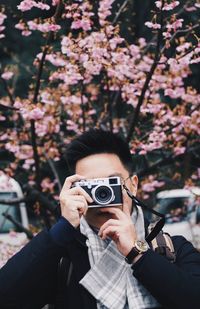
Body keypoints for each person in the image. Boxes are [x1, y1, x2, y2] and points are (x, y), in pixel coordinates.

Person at [0, 129, 200, 309]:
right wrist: (62, 230)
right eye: (90, 186)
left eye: (111, 183)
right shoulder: (64, 259)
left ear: (132, 185)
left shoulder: (170, 249)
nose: (102, 195)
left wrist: (138, 254)